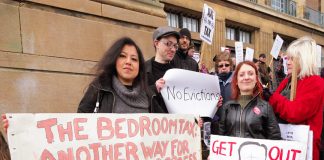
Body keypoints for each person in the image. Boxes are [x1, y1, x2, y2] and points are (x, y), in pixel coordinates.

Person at [268, 36, 324, 160]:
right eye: (287, 58)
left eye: (292, 59)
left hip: (303, 148)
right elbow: (273, 103)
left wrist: (274, 98)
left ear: (303, 60)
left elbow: (295, 113)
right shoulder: (288, 80)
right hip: (285, 144)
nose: (287, 62)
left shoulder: (315, 82)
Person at [77, 37, 165, 113]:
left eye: (134, 59)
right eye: (122, 56)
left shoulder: (149, 95)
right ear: (114, 60)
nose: (128, 62)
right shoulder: (99, 88)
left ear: (140, 66)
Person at [212, 61, 281, 140]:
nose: (246, 77)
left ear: (256, 79)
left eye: (250, 74)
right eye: (241, 75)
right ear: (236, 81)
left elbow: (275, 139)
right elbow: (221, 138)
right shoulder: (227, 107)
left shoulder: (266, 107)